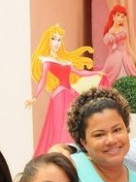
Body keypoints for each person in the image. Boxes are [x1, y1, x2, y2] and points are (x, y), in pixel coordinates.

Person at [26, 24, 108, 157]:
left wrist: (96, 73)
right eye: (53, 39)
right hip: (59, 94)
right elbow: (42, 80)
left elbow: (80, 72)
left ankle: (71, 154)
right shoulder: (47, 61)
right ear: (48, 40)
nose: (56, 43)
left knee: (71, 124)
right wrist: (35, 97)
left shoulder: (65, 61)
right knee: (60, 125)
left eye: (59, 40)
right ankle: (59, 155)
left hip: (70, 93)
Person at [101, 4, 136, 83]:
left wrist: (135, 59)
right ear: (113, 16)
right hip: (115, 55)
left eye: (122, 17)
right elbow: (109, 44)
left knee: (129, 69)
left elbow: (128, 46)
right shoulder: (110, 31)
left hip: (125, 54)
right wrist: (111, 38)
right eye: (118, 15)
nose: (120, 18)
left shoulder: (124, 30)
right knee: (113, 72)